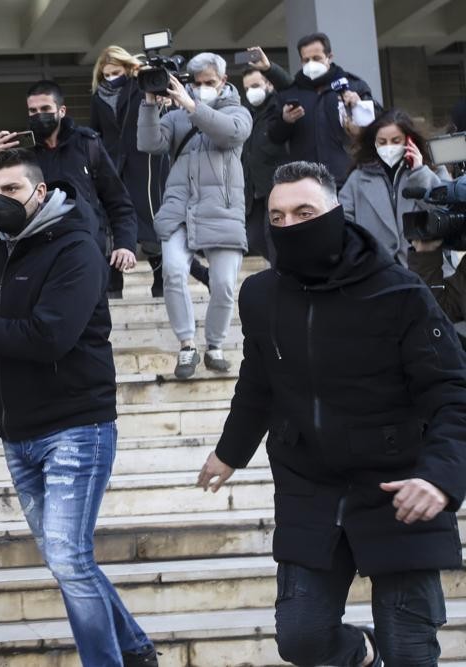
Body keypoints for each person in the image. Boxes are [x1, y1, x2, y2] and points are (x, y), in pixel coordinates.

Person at [197, 161, 466, 667]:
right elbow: (259, 382)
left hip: (399, 487)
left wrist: (440, 478)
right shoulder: (261, 295)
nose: (290, 226)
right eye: (277, 218)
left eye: (305, 212)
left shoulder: (400, 294)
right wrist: (229, 452)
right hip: (310, 486)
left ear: (337, 213)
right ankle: (362, 652)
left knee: (409, 649)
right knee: (301, 639)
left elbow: (453, 393)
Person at [0, 148, 159, 667]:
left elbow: (50, 336)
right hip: (17, 431)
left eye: (11, 190)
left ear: (40, 192)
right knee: (67, 560)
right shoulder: (1, 250)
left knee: (67, 556)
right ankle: (134, 649)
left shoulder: (76, 248)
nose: (0, 201)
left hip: (76, 427)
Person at [137, 52, 251, 379]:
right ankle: (187, 344)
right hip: (180, 209)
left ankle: (214, 345)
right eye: (197, 83)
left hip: (223, 210)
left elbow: (229, 134)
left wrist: (190, 105)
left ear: (223, 82)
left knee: (225, 284)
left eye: (209, 83)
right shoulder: (176, 116)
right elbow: (149, 143)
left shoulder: (238, 112)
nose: (202, 88)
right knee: (173, 272)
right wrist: (149, 102)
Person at [0, 79, 138, 297]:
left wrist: (125, 244)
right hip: (39, 255)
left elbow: (117, 200)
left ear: (61, 110)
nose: (38, 115)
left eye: (45, 109)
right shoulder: (22, 152)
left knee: (94, 324)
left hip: (88, 249)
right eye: (32, 111)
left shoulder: (87, 143)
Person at [90, 45, 173, 297]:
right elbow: (98, 132)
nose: (110, 77)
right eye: (106, 74)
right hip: (112, 165)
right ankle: (114, 283)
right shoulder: (98, 98)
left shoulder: (140, 87)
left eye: (115, 71)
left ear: (126, 68)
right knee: (113, 221)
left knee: (149, 218)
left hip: (143, 162)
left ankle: (160, 278)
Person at [339, 109, 448, 267]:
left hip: (426, 266)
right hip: (377, 269)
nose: (388, 147)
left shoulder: (433, 171)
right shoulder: (358, 178)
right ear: (374, 143)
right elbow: (343, 222)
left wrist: (419, 172)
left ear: (409, 140)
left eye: (396, 141)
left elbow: (444, 210)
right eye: (382, 142)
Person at [268, 32, 377, 186]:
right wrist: (285, 121)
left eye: (317, 58)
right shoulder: (290, 93)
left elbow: (377, 126)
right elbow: (274, 137)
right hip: (305, 182)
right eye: (306, 60)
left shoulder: (354, 86)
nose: (311, 64)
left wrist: (359, 106)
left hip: (347, 180)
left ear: (329, 57)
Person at [241, 46, 292, 261]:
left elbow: (290, 87)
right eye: (247, 88)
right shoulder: (245, 114)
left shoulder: (280, 105)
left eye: (255, 85)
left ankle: (281, 276)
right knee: (254, 238)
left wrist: (269, 68)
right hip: (253, 193)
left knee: (274, 238)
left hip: (276, 187)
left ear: (268, 84)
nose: (251, 91)